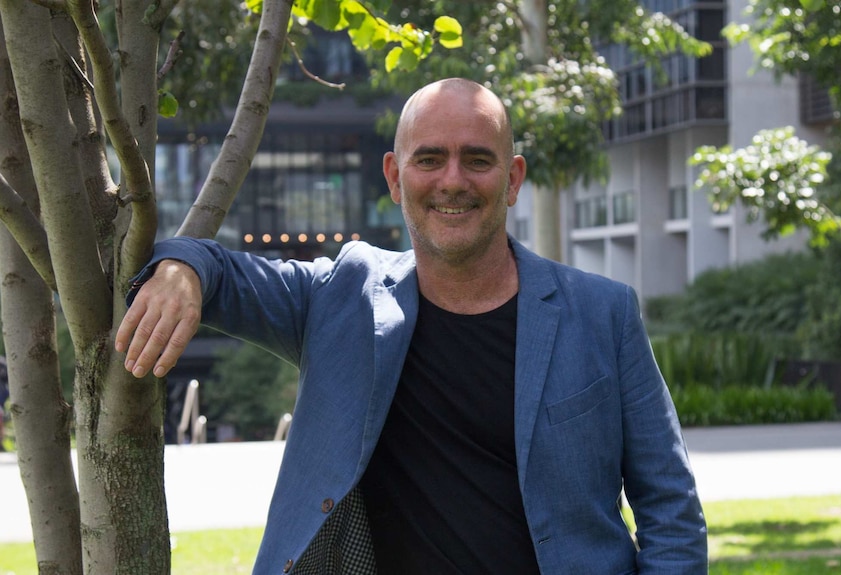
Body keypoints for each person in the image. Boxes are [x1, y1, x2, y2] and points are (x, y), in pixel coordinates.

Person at [116, 78, 707, 574]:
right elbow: (223, 270)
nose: (453, 180)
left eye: (478, 159)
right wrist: (180, 268)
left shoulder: (603, 313)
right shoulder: (341, 297)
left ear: (513, 178)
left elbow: (670, 508)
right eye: (430, 158)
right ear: (396, 177)